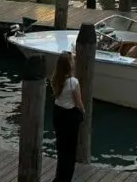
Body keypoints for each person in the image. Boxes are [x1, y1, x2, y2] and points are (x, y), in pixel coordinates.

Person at [49, 51, 84, 182]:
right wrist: (83, 113)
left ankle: (59, 177)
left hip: (58, 113)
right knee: (70, 151)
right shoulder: (73, 82)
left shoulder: (55, 78)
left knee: (61, 148)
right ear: (69, 65)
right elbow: (78, 103)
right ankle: (66, 178)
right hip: (69, 117)